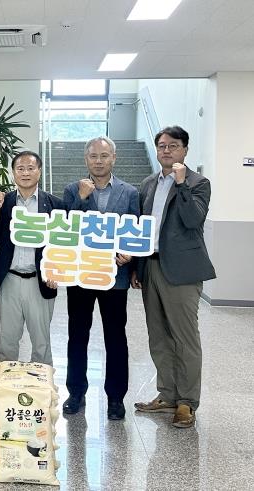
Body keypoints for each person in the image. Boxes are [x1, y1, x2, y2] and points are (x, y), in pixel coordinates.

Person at [132, 126, 216, 428]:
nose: (166, 150)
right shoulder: (147, 183)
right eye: (162, 146)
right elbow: (141, 228)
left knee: (185, 338)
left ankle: (187, 402)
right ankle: (167, 394)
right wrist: (137, 267)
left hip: (182, 271)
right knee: (158, 336)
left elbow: (193, 219)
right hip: (151, 266)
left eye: (173, 145)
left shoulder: (197, 183)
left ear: (185, 150)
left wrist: (181, 184)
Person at [61, 136, 140, 420]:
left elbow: (136, 231)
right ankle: (76, 392)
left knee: (116, 337)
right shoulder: (73, 189)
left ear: (113, 158)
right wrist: (81, 199)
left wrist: (131, 257)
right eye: (93, 156)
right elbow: (66, 228)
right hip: (81, 275)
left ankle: (116, 398)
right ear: (86, 159)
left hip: (115, 277)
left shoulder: (130, 192)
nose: (98, 161)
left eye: (104, 156)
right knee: (77, 335)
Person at [0, 150, 64, 365]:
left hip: (40, 281)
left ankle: (41, 383)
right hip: (9, 279)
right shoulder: (3, 202)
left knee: (41, 342)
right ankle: (6, 381)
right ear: (13, 173)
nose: (25, 173)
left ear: (39, 171)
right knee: (8, 341)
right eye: (20, 169)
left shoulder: (55, 204)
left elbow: (63, 243)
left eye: (30, 168)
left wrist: (56, 271)